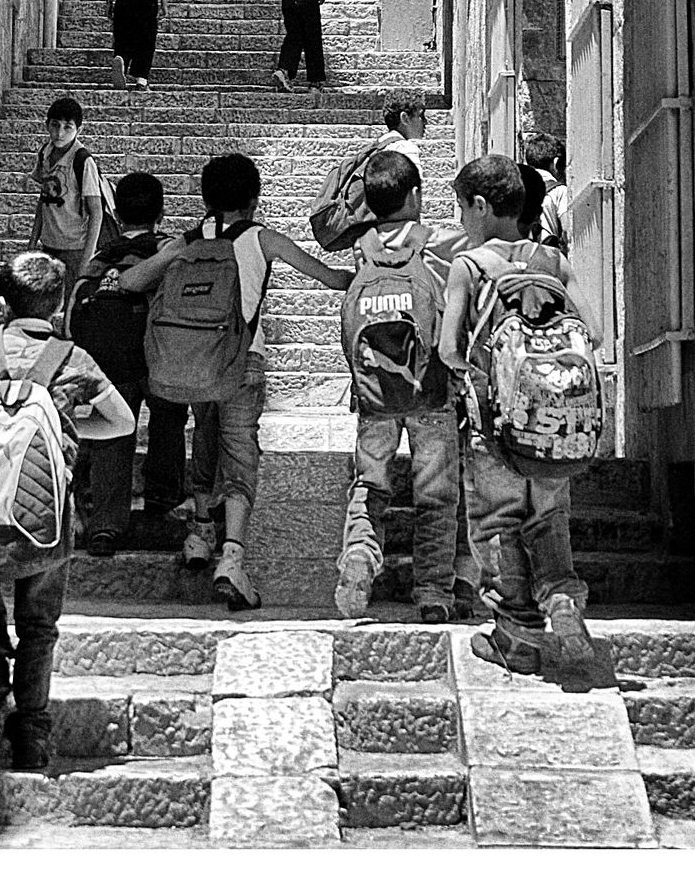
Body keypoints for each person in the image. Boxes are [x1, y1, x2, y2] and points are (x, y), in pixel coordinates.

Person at [119, 152, 352, 610]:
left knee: (204, 440)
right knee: (241, 448)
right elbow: (329, 278)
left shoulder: (186, 241)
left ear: (206, 197)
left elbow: (131, 281)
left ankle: (200, 534)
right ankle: (233, 557)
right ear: (254, 196)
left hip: (197, 361)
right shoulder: (263, 239)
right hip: (244, 360)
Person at [0, 251, 136, 772]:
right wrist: (72, 432)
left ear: (3, 300)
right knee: (39, 624)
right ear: (57, 306)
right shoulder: (74, 358)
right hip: (48, 515)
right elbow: (121, 423)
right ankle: (30, 735)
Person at [439, 153, 602, 675]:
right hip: (554, 428)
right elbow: (593, 332)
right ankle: (560, 599)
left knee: (498, 527)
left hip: (494, 431)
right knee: (548, 520)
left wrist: (478, 369)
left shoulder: (469, 266)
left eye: (462, 208)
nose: (461, 219)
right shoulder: (552, 261)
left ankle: (517, 638)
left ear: (481, 207)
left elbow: (448, 347)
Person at [334, 150, 469, 623]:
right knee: (436, 494)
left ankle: (359, 554)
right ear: (414, 195)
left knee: (369, 483)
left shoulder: (360, 247)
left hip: (374, 395)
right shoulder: (438, 244)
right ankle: (434, 591)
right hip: (431, 390)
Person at [68, 172, 189, 554]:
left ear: (117, 214)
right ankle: (162, 507)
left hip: (105, 361)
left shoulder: (101, 258)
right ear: (162, 213)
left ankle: (104, 525)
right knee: (168, 422)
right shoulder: (167, 252)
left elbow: (71, 319)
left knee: (110, 434)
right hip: (159, 359)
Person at [29, 96, 105, 303]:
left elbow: (96, 212)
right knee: (46, 305)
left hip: (75, 249)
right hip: (49, 246)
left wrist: (86, 260)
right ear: (47, 125)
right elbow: (43, 201)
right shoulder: (45, 153)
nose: (60, 133)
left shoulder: (82, 161)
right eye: (55, 125)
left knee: (72, 307)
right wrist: (32, 242)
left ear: (78, 130)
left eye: (67, 127)